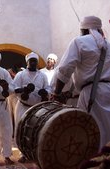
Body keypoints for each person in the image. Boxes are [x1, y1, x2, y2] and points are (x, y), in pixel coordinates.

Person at [52, 15, 110, 149]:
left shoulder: (79, 42)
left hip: (91, 94)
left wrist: (57, 93)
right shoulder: (109, 45)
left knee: (90, 131)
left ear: (84, 30)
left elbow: (65, 69)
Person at [13, 52, 48, 163]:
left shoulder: (42, 75)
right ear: (27, 62)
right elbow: (14, 88)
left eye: (35, 61)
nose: (33, 63)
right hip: (23, 106)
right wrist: (23, 92)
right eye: (31, 61)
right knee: (22, 130)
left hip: (37, 108)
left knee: (36, 130)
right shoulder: (20, 75)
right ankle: (23, 153)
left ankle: (34, 153)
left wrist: (45, 93)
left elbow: (48, 88)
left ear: (37, 62)